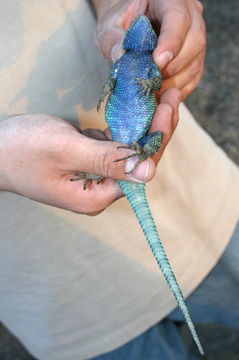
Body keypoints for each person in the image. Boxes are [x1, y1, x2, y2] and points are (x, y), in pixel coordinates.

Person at [0, 0, 238, 359]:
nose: (141, 25)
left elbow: (139, 71)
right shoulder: (137, 63)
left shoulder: (137, 58)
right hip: (60, 296)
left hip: (201, 202)